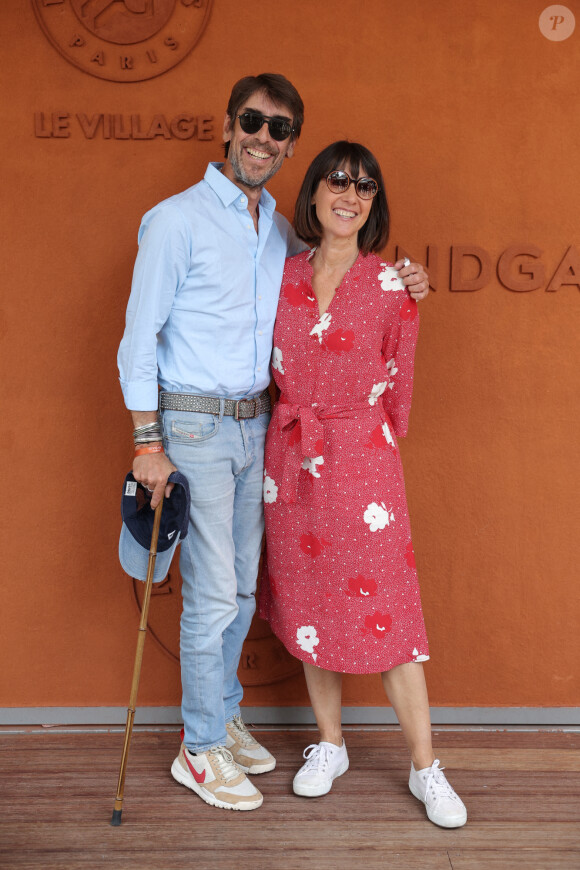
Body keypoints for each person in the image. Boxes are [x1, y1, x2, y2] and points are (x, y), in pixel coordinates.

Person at [118, 74, 430, 813]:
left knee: (243, 588)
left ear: (290, 145)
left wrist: (407, 280)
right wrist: (146, 441)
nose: (263, 138)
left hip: (264, 426)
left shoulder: (280, 236)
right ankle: (199, 748)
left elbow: (338, 277)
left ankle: (223, 718)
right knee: (215, 592)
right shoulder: (175, 220)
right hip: (192, 423)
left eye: (279, 129)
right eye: (252, 122)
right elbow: (139, 338)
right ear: (228, 125)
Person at [259, 141, 467, 828]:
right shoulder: (280, 274)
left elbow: (400, 389)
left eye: (365, 187)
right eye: (337, 181)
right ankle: (330, 744)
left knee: (392, 614)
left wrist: (366, 443)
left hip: (362, 464)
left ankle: (425, 766)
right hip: (290, 458)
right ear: (313, 192)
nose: (349, 195)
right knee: (312, 603)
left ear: (373, 204)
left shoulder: (391, 286)